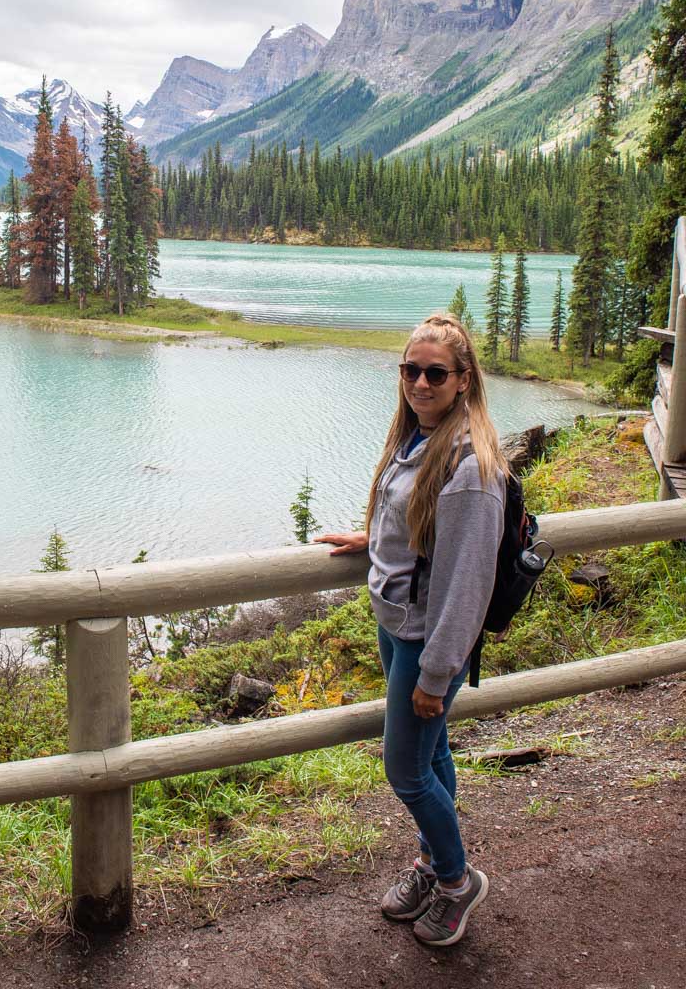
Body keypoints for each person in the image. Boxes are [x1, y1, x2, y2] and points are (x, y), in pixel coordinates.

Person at [316, 312, 506, 947]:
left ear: (463, 380)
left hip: (428, 641)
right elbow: (414, 529)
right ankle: (432, 863)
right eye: (410, 370)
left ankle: (457, 881)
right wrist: (369, 538)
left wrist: (435, 672)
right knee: (432, 754)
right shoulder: (418, 439)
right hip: (399, 625)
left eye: (435, 373)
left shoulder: (470, 467)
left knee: (404, 769)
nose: (420, 383)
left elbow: (468, 580)